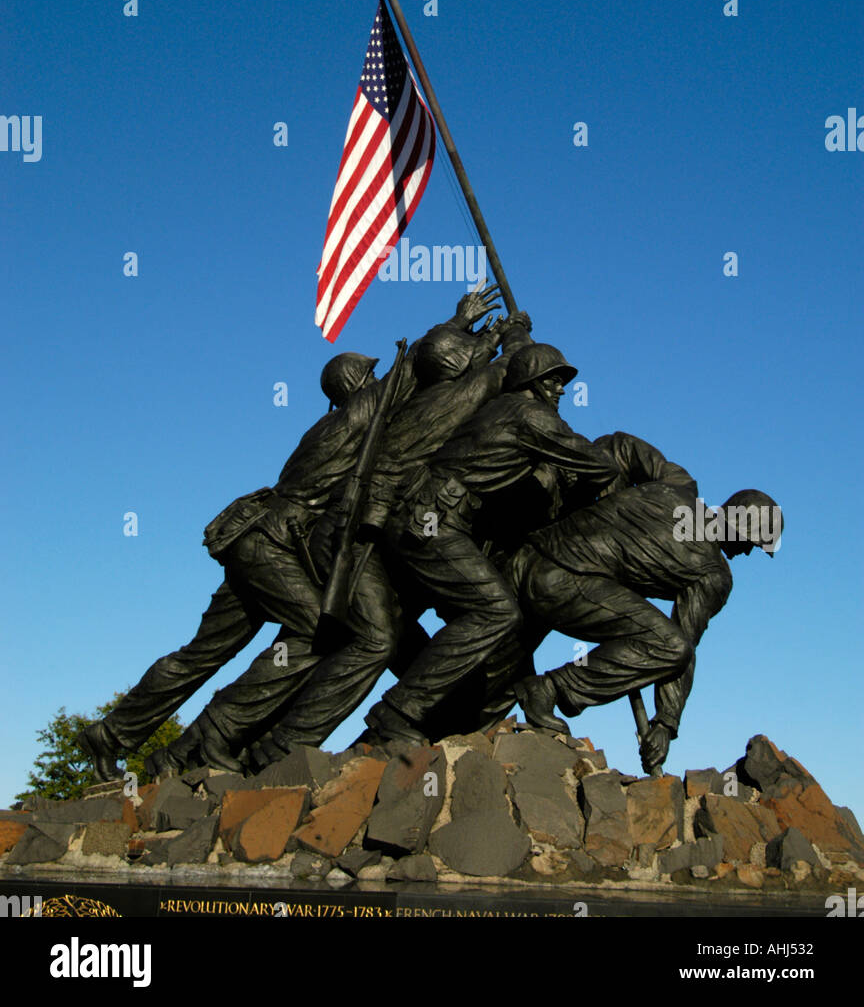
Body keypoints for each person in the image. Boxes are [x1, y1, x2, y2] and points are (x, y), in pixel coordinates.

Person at [79, 287, 499, 781]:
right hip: (271, 545)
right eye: (368, 375)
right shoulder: (361, 414)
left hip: (258, 541)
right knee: (315, 632)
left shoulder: (333, 425)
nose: (375, 380)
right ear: (357, 384)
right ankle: (218, 735)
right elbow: (408, 378)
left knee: (201, 654)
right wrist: (458, 324)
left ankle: (112, 736)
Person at [363, 343, 621, 744]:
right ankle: (397, 711)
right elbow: (599, 463)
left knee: (469, 613)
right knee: (497, 611)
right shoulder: (529, 414)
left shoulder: (503, 410)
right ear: (532, 383)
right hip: (433, 519)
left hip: (429, 514)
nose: (562, 390)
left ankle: (436, 712)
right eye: (554, 380)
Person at [503, 440, 782, 773]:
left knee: (491, 690)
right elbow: (682, 647)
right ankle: (549, 688)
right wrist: (666, 723)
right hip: (560, 584)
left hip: (525, 559)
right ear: (740, 526)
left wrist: (606, 491)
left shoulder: (678, 485)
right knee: (669, 645)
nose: (748, 552)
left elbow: (620, 446)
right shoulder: (714, 574)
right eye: (752, 543)